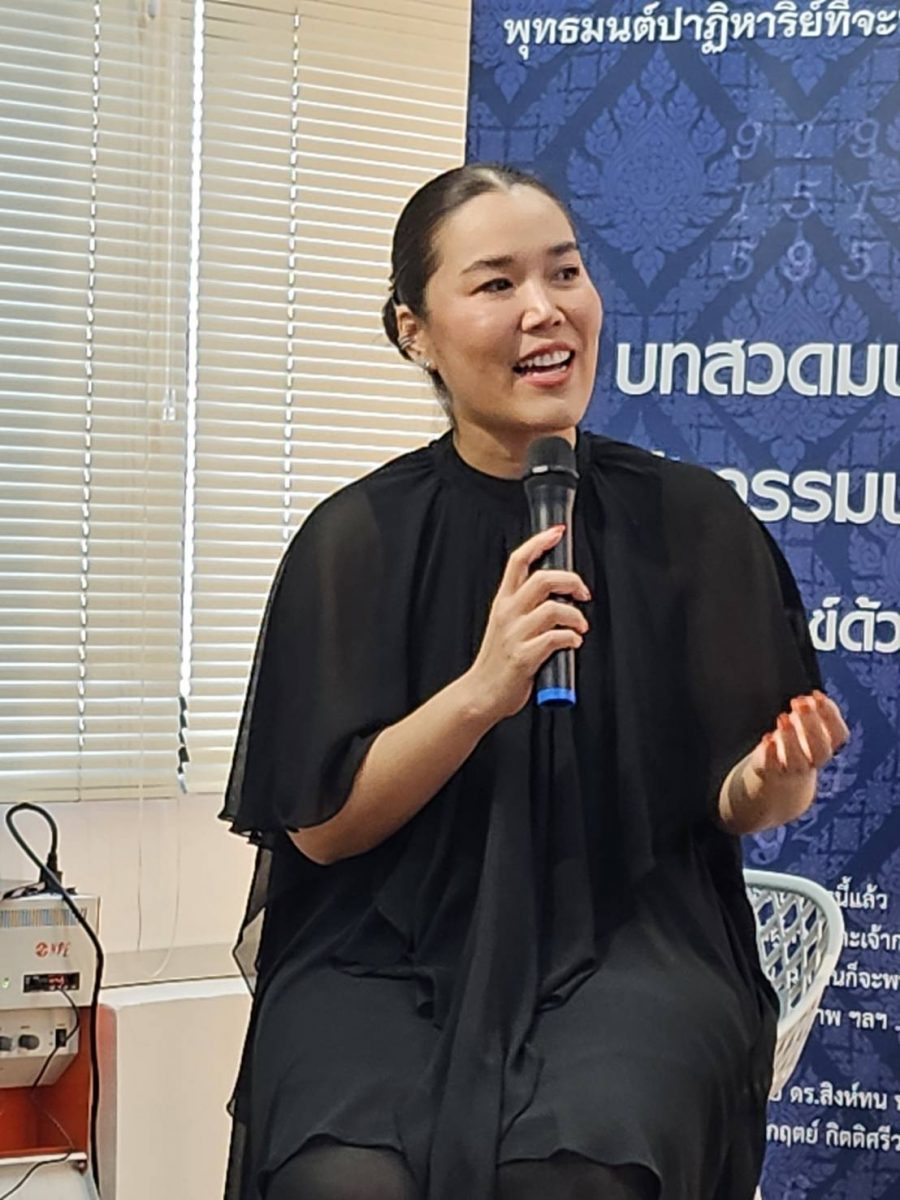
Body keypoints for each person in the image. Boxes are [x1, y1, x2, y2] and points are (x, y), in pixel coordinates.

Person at [219, 163, 849, 1200]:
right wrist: (480, 692)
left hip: (633, 943)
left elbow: (745, 797)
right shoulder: (354, 539)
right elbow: (321, 831)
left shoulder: (694, 522)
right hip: (380, 951)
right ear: (415, 331)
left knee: (572, 1171)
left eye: (564, 272)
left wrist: (773, 779)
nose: (545, 309)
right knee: (346, 1177)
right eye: (497, 283)